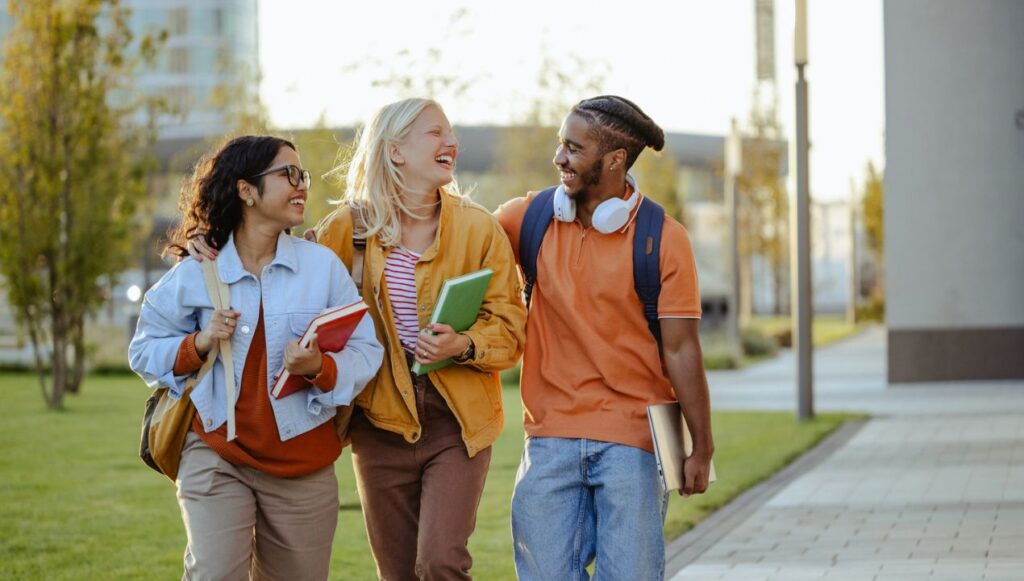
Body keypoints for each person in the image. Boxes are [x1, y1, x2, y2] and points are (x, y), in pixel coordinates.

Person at [129, 135, 384, 580]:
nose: (301, 185)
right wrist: (198, 344)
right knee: (214, 573)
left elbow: (366, 350)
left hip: (303, 463)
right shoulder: (199, 268)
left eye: (301, 175)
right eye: (288, 175)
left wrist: (320, 368)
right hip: (215, 452)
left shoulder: (321, 267)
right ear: (246, 190)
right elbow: (143, 349)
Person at [495, 95, 716, 580]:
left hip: (634, 441)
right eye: (560, 144)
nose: (559, 158)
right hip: (549, 437)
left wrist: (701, 446)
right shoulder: (528, 219)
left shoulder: (661, 237)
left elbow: (681, 349)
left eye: (574, 148)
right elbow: (459, 241)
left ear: (615, 160)